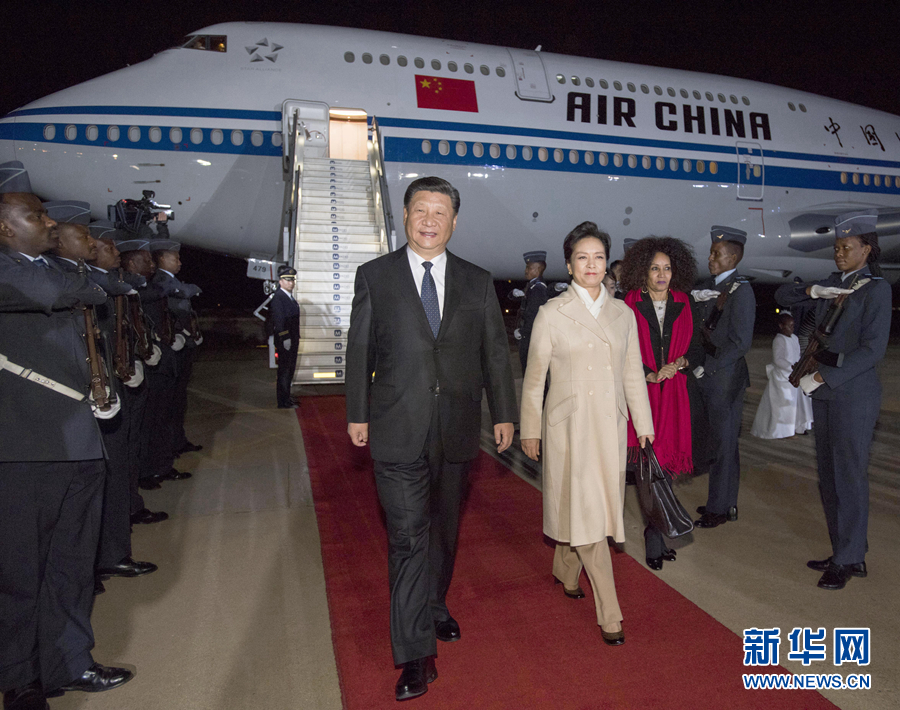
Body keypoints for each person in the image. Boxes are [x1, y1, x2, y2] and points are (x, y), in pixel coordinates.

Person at [345, 176, 517, 701]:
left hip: (457, 426)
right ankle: (416, 655)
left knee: (443, 528)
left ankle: (435, 603)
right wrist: (357, 413)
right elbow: (360, 350)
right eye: (421, 209)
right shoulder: (376, 276)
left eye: (440, 212)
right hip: (396, 427)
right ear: (405, 215)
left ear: (454, 221)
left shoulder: (476, 280)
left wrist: (504, 414)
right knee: (407, 537)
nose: (429, 220)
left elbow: (493, 352)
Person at [0, 191, 133, 710]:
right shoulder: (17, 272)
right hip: (24, 448)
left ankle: (70, 661)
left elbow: (94, 290)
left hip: (79, 440)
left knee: (72, 566)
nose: (49, 223)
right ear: (5, 228)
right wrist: (86, 283)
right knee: (19, 574)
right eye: (35, 216)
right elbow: (60, 290)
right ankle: (20, 680)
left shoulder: (57, 270)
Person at [520, 221, 654, 647]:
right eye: (582, 257)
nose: (591, 264)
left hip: (610, 425)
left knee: (587, 505)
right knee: (587, 511)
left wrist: (644, 424)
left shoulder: (624, 314)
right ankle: (610, 612)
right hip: (570, 426)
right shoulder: (551, 312)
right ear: (569, 264)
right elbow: (534, 377)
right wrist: (530, 429)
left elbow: (632, 373)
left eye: (599, 257)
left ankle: (565, 566)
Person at [775, 210, 891, 590]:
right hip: (824, 393)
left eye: (847, 247)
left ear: (866, 249)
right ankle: (845, 549)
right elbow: (781, 295)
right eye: (837, 247)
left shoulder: (876, 289)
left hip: (853, 394)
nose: (839, 253)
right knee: (828, 477)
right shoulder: (831, 283)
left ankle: (848, 558)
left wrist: (823, 376)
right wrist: (814, 291)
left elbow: (872, 350)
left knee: (849, 476)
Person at [619, 236, 703, 570]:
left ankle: (659, 533)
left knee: (663, 468)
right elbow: (621, 349)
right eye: (655, 268)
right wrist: (647, 373)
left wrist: (680, 363)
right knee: (647, 468)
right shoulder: (628, 303)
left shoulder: (685, 301)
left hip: (676, 396)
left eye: (667, 268)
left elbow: (698, 347)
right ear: (643, 271)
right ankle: (655, 538)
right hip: (642, 394)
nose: (661, 274)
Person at [690, 226, 756, 528]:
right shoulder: (706, 287)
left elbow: (741, 342)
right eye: (711, 253)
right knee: (718, 443)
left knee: (724, 444)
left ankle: (718, 508)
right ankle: (726, 502)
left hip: (725, 379)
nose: (710, 258)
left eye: (717, 254)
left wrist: (709, 367)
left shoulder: (741, 290)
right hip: (707, 377)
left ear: (733, 258)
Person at [750, 313, 814, 440]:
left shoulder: (794, 338)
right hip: (783, 377)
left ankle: (798, 426)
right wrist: (792, 367)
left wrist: (801, 367)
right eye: (789, 326)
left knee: (799, 403)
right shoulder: (779, 340)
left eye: (793, 325)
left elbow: (797, 354)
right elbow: (778, 360)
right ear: (781, 326)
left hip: (795, 375)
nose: (792, 328)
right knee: (784, 406)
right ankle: (784, 431)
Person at [511, 251, 549, 372]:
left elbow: (534, 316)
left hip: (532, 337)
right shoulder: (532, 286)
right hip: (531, 335)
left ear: (538, 270)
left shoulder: (537, 289)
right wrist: (514, 294)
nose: (526, 271)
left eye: (529, 268)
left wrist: (522, 332)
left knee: (532, 371)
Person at [269, 265, 300, 408]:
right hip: (285, 340)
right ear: (280, 281)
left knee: (289, 370)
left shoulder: (288, 297)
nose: (291, 283)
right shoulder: (279, 298)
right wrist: (285, 338)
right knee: (284, 371)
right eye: (288, 280)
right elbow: (279, 320)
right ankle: (283, 402)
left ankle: (286, 397)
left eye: (292, 280)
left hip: (292, 339)